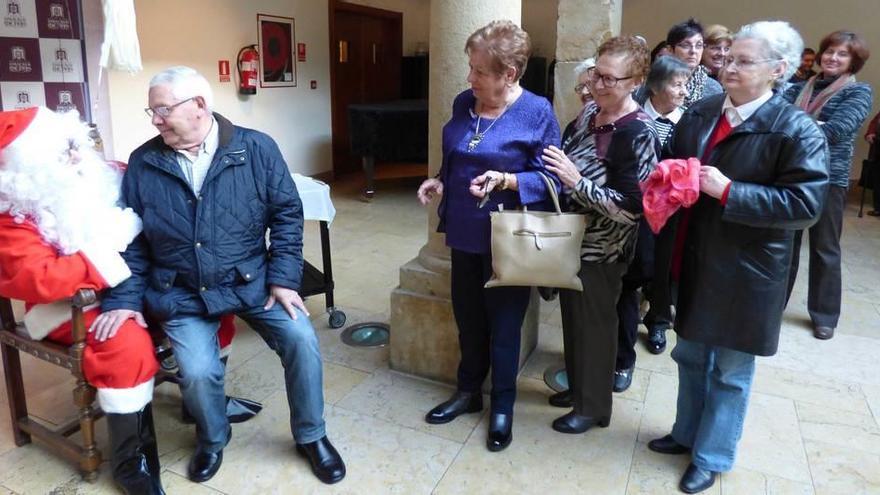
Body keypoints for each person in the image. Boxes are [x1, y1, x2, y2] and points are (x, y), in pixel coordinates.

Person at [92, 66, 345, 485]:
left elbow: (286, 213)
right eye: (151, 111)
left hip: (253, 282)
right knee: (197, 370)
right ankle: (212, 440)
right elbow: (131, 241)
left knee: (301, 339)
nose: (155, 119)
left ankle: (311, 436)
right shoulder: (144, 162)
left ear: (200, 107)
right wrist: (123, 301)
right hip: (182, 291)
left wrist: (284, 279)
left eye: (163, 109)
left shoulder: (256, 149)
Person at [647, 21, 828, 494]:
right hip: (694, 254)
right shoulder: (703, 110)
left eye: (743, 61)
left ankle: (712, 455)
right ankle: (686, 433)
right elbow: (674, 158)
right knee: (689, 353)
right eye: (728, 58)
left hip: (749, 271)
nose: (728, 66)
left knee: (730, 369)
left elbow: (805, 206)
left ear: (779, 71)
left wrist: (730, 191)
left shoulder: (796, 129)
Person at [0, 107, 163, 494]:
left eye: (75, 145)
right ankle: (130, 458)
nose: (76, 157)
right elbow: (43, 279)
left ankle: (201, 403)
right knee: (125, 343)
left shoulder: (106, 173)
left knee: (201, 304)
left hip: (130, 283)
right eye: (61, 153)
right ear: (28, 169)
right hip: (68, 307)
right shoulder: (13, 216)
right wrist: (112, 242)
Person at [417, 20, 560, 452]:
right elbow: (461, 153)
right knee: (468, 316)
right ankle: (466, 392)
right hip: (464, 228)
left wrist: (508, 181)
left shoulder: (537, 112)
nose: (470, 78)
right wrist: (442, 179)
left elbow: (555, 179)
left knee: (504, 325)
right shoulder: (466, 102)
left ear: (509, 74)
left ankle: (503, 406)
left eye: (480, 71)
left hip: (509, 238)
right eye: (471, 68)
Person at [540, 36, 659, 431]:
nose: (597, 84)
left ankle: (593, 408)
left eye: (610, 78)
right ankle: (579, 389)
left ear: (636, 80)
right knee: (573, 323)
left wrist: (576, 182)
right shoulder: (589, 113)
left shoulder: (639, 132)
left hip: (603, 252)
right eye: (596, 74)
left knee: (595, 328)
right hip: (570, 242)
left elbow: (632, 209)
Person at [608, 55, 691, 393]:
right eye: (676, 84)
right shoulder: (629, 118)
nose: (683, 91)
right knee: (617, 292)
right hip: (617, 220)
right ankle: (607, 358)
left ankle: (631, 353)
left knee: (644, 280)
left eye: (686, 85)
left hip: (659, 217)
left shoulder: (688, 122)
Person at [783, 30, 873, 340]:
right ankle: (774, 302)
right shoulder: (795, 88)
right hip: (789, 174)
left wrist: (792, 126)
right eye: (829, 51)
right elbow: (774, 121)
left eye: (842, 54)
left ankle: (824, 315)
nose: (832, 58)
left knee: (825, 248)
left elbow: (837, 131)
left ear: (853, 61)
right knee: (784, 243)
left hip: (828, 179)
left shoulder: (858, 92)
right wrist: (810, 126)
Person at [667, 19, 723, 108]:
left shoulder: (713, 88)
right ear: (670, 50)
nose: (693, 51)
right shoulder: (656, 82)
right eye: (686, 45)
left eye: (699, 45)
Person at [865, 110, 880, 216]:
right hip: (878, 149)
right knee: (878, 179)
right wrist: (870, 134)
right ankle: (878, 208)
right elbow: (874, 123)